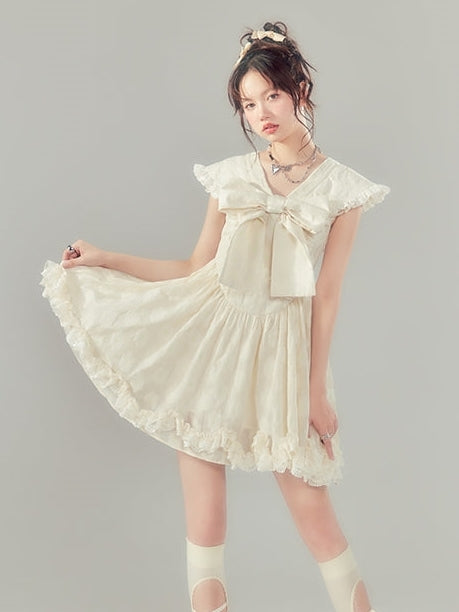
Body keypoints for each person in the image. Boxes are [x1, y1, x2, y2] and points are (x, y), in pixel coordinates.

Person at [40, 21, 390, 612]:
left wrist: (314, 390)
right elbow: (193, 267)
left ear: (300, 90)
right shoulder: (230, 177)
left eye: (271, 96)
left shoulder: (343, 190)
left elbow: (327, 295)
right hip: (210, 343)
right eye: (248, 104)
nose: (261, 114)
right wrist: (106, 259)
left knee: (313, 512)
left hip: (284, 356)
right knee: (204, 517)